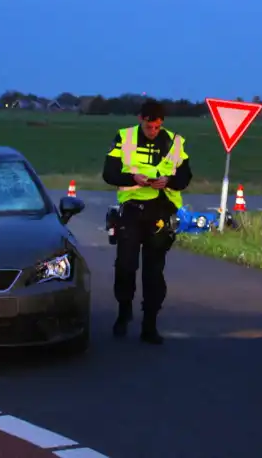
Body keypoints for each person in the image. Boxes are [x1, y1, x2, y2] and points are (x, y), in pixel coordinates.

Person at [102, 99, 193, 344]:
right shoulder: (124, 137)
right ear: (140, 119)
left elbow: (185, 177)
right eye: (149, 126)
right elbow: (108, 173)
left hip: (161, 212)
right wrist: (133, 176)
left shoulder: (174, 141)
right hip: (132, 210)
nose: (153, 131)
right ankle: (124, 312)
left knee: (154, 272)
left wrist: (169, 181)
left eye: (157, 127)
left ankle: (149, 325)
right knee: (125, 265)